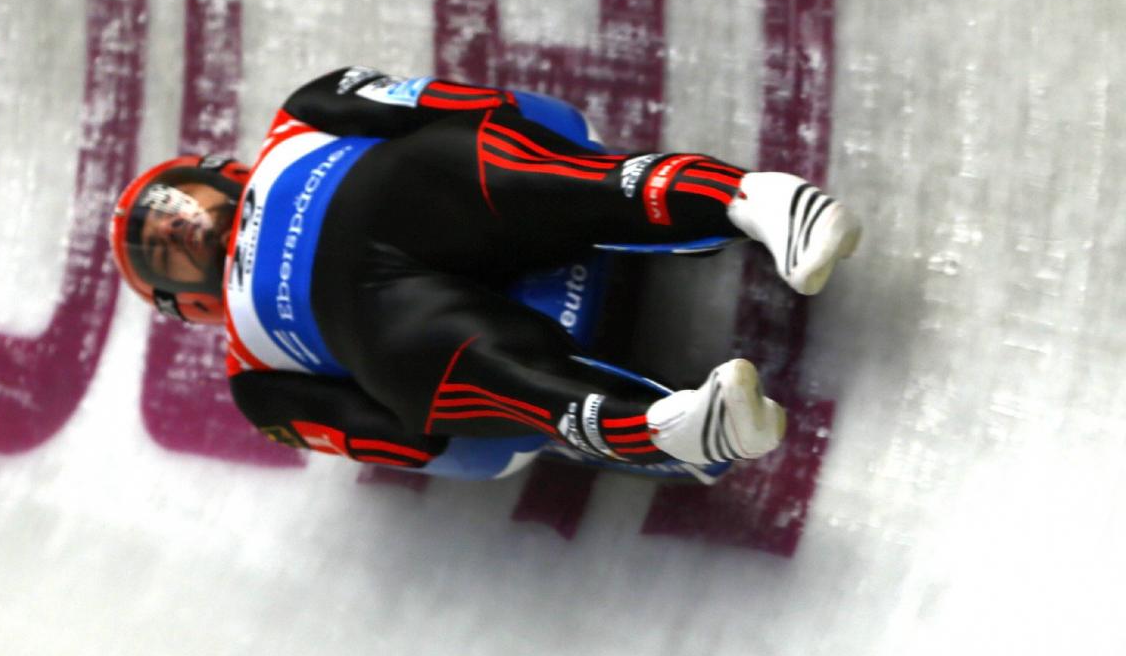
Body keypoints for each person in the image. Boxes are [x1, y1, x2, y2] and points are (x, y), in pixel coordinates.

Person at [110, 68, 861, 479]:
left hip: (420, 196)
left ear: (224, 171)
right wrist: (485, 435)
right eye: (174, 250)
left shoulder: (305, 111)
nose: (192, 230)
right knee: (422, 360)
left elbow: (458, 105)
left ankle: (756, 202)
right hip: (391, 317)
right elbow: (409, 444)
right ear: (193, 305)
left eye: (185, 209)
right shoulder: (258, 385)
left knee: (481, 171)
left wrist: (543, 141)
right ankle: (666, 426)